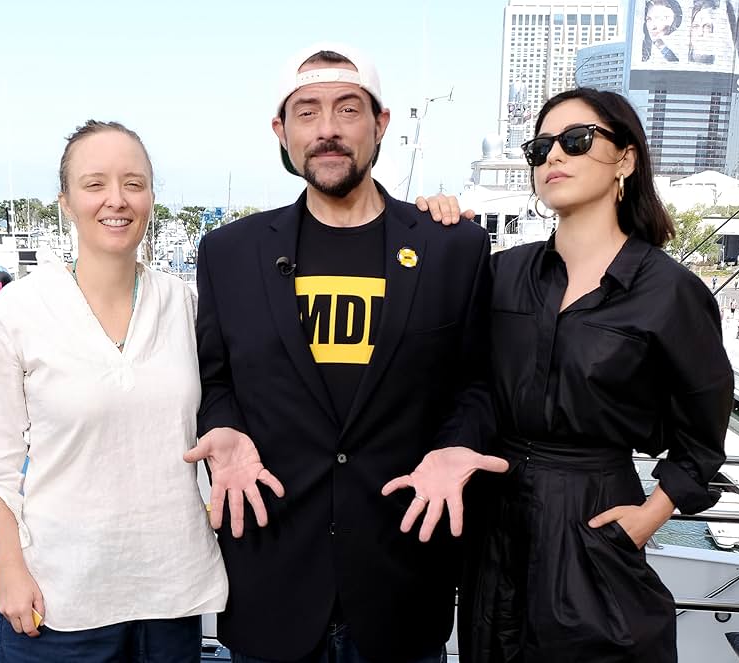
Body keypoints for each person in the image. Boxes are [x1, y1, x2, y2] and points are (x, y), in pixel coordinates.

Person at [186, 43, 507, 663]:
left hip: (402, 584)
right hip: (271, 582)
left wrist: (456, 446)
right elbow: (214, 379)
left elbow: (476, 381)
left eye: (347, 110)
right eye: (305, 113)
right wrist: (222, 428)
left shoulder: (453, 248)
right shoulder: (229, 253)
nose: (327, 130)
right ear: (281, 132)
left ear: (380, 123)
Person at [423, 88, 733, 662]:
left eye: (576, 140)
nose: (553, 158)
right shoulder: (502, 274)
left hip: (596, 518)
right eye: (540, 148)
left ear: (626, 159)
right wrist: (431, 230)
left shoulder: (670, 293)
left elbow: (701, 436)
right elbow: (457, 373)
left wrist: (650, 515)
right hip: (495, 523)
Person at [0, 120, 228, 662]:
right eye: (94, 183)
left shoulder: (185, 305)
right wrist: (9, 569)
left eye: (134, 182)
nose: (117, 200)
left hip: (169, 600)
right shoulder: (19, 311)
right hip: (58, 603)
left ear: (152, 196)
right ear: (64, 201)